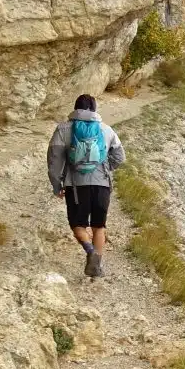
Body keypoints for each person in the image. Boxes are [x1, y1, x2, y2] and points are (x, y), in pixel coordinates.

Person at [47, 94, 126, 278]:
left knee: (77, 225)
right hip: (102, 185)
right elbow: (120, 157)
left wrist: (56, 184)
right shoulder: (106, 129)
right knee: (99, 226)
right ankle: (97, 267)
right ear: (95, 109)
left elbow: (54, 160)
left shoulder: (63, 129)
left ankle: (90, 251)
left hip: (75, 187)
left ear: (75, 108)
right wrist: (106, 168)